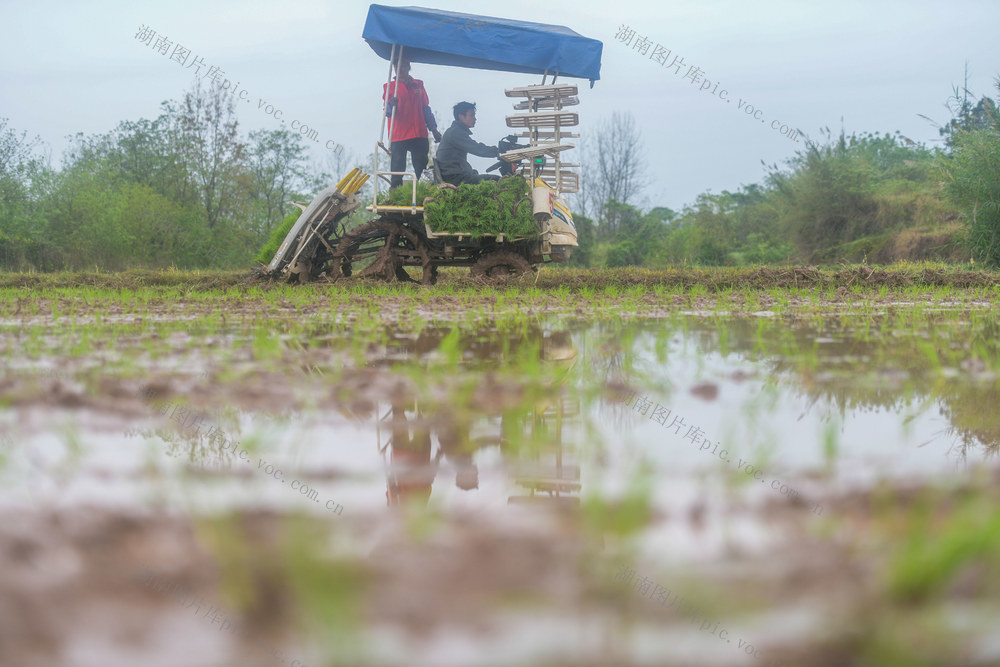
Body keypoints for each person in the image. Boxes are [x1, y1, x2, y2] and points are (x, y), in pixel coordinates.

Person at [383, 57, 442, 188]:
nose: (400, 69)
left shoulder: (419, 85)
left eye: (403, 66)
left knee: (421, 166)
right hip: (399, 134)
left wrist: (434, 129)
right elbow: (387, 112)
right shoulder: (390, 87)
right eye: (397, 66)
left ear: (408, 67)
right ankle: (395, 196)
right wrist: (391, 105)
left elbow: (426, 108)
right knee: (397, 169)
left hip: (418, 132)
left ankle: (424, 193)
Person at [436, 102, 502, 186]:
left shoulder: (455, 131)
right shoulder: (455, 133)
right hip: (455, 178)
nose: (475, 119)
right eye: (471, 115)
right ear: (461, 117)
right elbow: (478, 149)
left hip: (455, 175)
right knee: (497, 180)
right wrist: (501, 152)